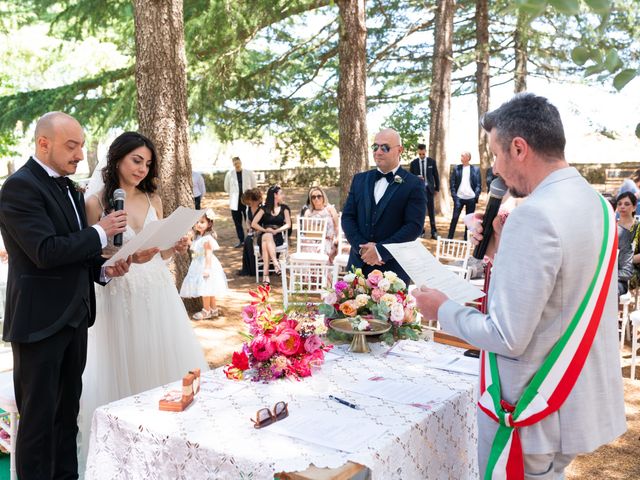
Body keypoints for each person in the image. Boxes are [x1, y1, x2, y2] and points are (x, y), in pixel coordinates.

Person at [413, 93, 626, 479]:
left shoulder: (535, 215)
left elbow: (506, 336)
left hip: (531, 408)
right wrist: (500, 245)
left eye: (495, 155)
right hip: (574, 399)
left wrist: (441, 309)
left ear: (519, 147)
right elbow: (564, 287)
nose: (495, 170)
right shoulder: (596, 204)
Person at [0, 112, 131, 479]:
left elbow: (75, 255)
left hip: (76, 318)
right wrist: (102, 233)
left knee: (67, 416)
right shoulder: (18, 187)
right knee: (39, 422)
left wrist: (103, 269)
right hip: (39, 322)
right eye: (71, 146)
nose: (80, 156)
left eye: (82, 147)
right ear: (44, 143)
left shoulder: (72, 190)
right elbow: (45, 251)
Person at [80, 132, 209, 469]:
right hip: (119, 293)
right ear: (117, 158)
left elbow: (161, 253)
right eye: (137, 160)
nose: (142, 169)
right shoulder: (95, 202)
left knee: (162, 364)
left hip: (157, 291)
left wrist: (173, 246)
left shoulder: (154, 198)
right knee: (125, 368)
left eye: (147, 163)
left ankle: (170, 456)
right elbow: (92, 258)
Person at [341, 128, 427, 284]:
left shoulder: (414, 184)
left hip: (393, 272)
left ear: (399, 150)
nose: (378, 152)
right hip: (357, 267)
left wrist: (381, 251)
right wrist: (362, 249)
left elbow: (414, 226)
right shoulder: (359, 180)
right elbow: (348, 217)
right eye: (375, 147)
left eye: (385, 147)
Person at [180, 209, 228, 319]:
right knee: (209, 288)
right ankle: (213, 309)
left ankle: (206, 310)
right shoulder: (198, 237)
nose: (198, 224)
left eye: (202, 222)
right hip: (198, 264)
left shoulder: (207, 238)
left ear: (209, 223)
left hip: (205, 264)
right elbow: (196, 249)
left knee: (206, 288)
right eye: (197, 222)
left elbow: (208, 254)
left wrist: (207, 268)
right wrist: (189, 242)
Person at [251, 185, 291, 285]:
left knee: (265, 242)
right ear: (275, 195)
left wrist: (277, 231)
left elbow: (288, 224)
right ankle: (276, 263)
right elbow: (253, 224)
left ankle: (266, 274)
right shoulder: (264, 209)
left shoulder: (284, 208)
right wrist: (264, 229)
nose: (283, 195)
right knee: (266, 236)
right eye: (281, 193)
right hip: (265, 234)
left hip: (277, 236)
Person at [224, 156, 257, 247]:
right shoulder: (229, 174)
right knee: (237, 222)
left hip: (247, 201)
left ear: (241, 162)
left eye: (238, 163)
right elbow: (226, 187)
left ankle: (252, 239)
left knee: (250, 219)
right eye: (235, 163)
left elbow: (254, 185)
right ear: (233, 164)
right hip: (235, 202)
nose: (237, 165)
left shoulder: (249, 172)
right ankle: (241, 240)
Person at [447, 151, 481, 240]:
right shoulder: (456, 168)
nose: (461, 157)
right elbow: (452, 182)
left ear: (468, 158)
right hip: (459, 198)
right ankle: (449, 237)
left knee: (469, 220)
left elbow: (478, 184)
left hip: (471, 198)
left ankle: (466, 239)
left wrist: (475, 196)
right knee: (454, 218)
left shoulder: (476, 169)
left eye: (462, 156)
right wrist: (454, 196)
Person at [409, 143, 440, 239]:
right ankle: (421, 231)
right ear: (418, 152)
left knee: (431, 211)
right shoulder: (413, 163)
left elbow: (436, 175)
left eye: (423, 154)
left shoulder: (431, 162)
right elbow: (410, 177)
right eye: (420, 154)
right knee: (420, 212)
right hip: (419, 191)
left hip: (429, 190)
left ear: (425, 151)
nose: (422, 156)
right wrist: (416, 178)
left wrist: (437, 189)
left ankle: (434, 232)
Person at [303, 186, 340, 263]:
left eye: (319, 196)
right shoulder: (308, 212)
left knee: (322, 248)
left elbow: (337, 227)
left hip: (328, 240)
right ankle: (312, 273)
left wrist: (338, 238)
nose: (316, 199)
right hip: (313, 240)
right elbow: (306, 231)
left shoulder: (330, 209)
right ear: (311, 200)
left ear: (323, 197)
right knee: (309, 248)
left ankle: (323, 272)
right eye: (313, 197)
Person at [616, 192, 637, 295]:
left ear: (634, 207)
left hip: (633, 267)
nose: (622, 206)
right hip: (615, 266)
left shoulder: (638, 227)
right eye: (619, 204)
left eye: (626, 204)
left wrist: (624, 259)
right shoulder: (612, 226)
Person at [239, 188, 263, 277]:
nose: (250, 204)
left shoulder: (262, 208)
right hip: (252, 231)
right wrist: (249, 227)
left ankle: (259, 268)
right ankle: (250, 269)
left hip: (262, 231)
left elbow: (265, 223)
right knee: (247, 240)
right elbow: (248, 221)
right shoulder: (248, 209)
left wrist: (258, 231)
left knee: (251, 240)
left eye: (251, 201)